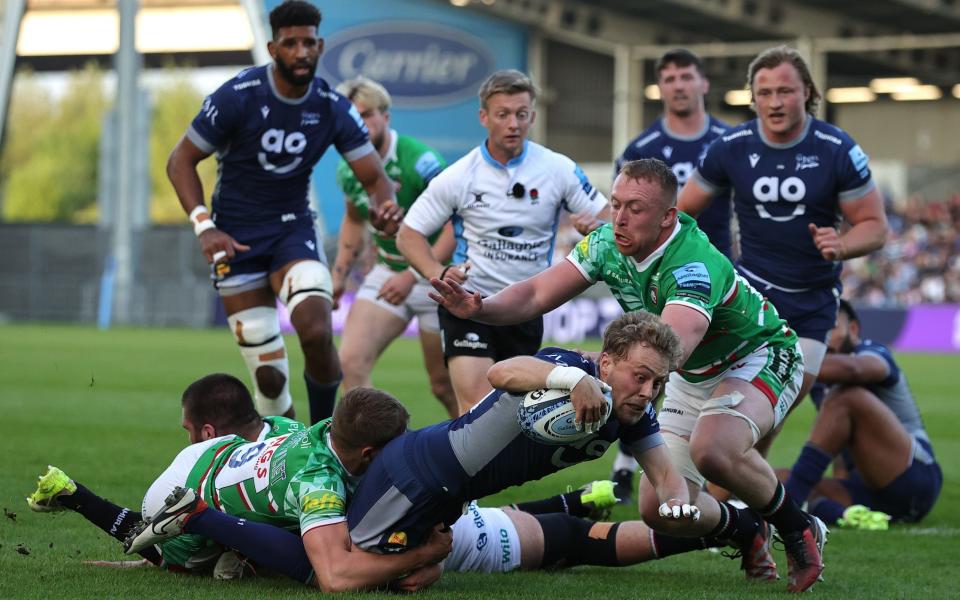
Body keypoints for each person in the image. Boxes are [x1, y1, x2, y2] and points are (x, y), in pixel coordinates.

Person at [430, 158, 826, 592]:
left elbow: (671, 347)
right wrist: (480, 309)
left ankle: (797, 529)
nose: (618, 217)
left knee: (714, 449)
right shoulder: (605, 243)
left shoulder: (691, 264)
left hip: (758, 356)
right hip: (686, 372)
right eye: (615, 203)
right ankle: (744, 526)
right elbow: (537, 292)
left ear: (667, 217)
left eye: (635, 208)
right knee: (660, 508)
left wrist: (593, 368)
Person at [166, 0, 401, 425]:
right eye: (290, 44)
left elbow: (376, 179)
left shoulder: (332, 106)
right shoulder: (237, 96)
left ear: (320, 45)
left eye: (308, 43)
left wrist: (385, 207)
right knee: (270, 380)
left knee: (314, 330)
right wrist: (204, 227)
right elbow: (179, 161)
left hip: (293, 232)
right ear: (273, 49)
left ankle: (325, 436)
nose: (301, 52)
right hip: (234, 237)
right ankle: (286, 449)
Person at [677, 45, 888, 420]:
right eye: (765, 93)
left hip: (812, 308)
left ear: (807, 92)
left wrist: (842, 245)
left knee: (764, 424)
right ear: (753, 98)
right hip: (749, 299)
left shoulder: (837, 149)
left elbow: (875, 226)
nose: (775, 102)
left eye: (785, 91)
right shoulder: (729, 147)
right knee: (719, 423)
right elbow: (680, 212)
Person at [396, 69, 608, 414]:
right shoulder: (459, 175)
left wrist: (595, 226)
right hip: (468, 304)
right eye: (503, 114)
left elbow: (611, 219)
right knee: (478, 408)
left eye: (521, 114)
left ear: (533, 117)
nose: (513, 123)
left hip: (524, 308)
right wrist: (439, 270)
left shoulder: (558, 169)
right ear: (484, 117)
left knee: (513, 415)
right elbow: (408, 235)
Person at [611, 48, 732, 502]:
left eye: (686, 76)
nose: (678, 85)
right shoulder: (641, 147)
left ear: (703, 84)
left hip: (711, 275)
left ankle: (717, 464)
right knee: (648, 365)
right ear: (660, 88)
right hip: (652, 275)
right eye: (670, 78)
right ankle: (627, 460)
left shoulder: (726, 140)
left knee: (705, 369)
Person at [330, 77, 457, 418]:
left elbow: (455, 228)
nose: (361, 123)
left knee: (443, 385)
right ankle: (374, 456)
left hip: (437, 278)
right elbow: (354, 220)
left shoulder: (420, 161)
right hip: (387, 270)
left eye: (368, 114)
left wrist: (415, 274)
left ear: (386, 117)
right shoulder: (348, 169)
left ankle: (481, 462)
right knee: (350, 362)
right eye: (352, 117)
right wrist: (339, 275)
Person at [783, 299, 942, 527]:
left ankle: (789, 511)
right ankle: (850, 515)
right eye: (820, 331)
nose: (824, 338)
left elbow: (854, 369)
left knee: (847, 397)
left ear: (853, 329)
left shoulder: (872, 351)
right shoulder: (820, 384)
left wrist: (785, 357)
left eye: (831, 328)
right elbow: (836, 444)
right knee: (775, 480)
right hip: (868, 487)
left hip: (915, 479)